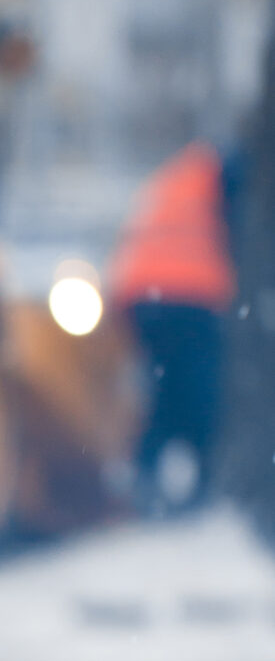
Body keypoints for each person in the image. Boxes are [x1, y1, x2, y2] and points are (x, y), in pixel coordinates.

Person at [108, 140, 237, 509]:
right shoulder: (223, 179)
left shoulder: (173, 179)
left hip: (143, 295)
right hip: (191, 295)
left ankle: (145, 476)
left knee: (162, 390)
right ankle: (201, 486)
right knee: (200, 394)